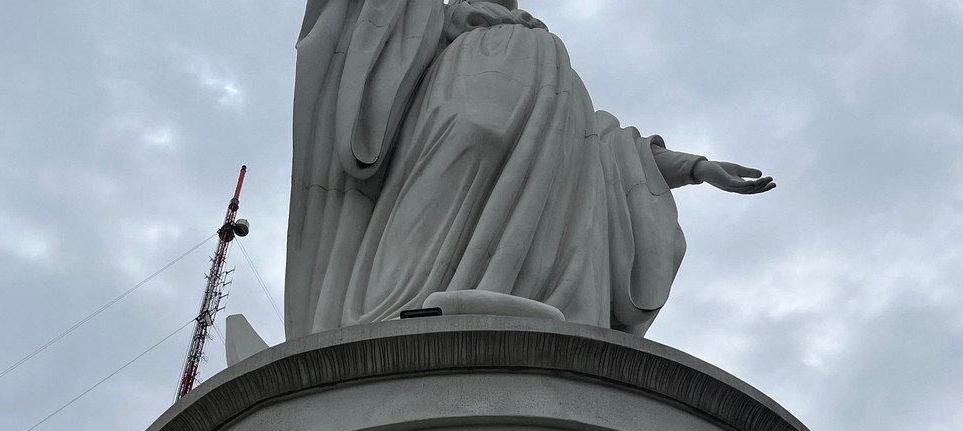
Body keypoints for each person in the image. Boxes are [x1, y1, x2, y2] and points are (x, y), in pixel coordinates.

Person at [285, 0, 774, 339]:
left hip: (539, 203)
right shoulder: (437, 33)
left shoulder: (551, 56)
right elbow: (371, 42)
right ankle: (403, 306)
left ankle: (512, 305)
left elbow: (605, 150)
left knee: (530, 191)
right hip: (449, 126)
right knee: (466, 146)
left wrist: (695, 167)